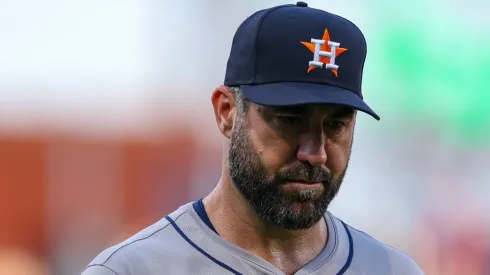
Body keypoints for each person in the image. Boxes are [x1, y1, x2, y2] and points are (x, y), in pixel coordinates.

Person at [82, 2, 424, 274]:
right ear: (226, 112)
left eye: (336, 125)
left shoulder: (393, 270)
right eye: (290, 119)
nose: (315, 152)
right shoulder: (133, 269)